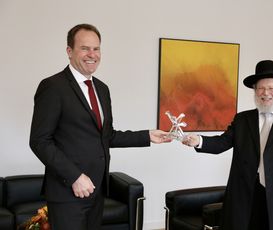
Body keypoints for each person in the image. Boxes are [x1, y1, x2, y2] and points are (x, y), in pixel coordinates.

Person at [29, 23, 171, 230]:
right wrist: (75, 177)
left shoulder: (102, 89)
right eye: (84, 48)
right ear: (69, 51)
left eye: (96, 48)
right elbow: (40, 141)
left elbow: (107, 136)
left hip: (97, 190)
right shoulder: (52, 87)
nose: (92, 54)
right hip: (68, 192)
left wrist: (148, 136)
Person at [182, 60, 273, 230]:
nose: (265, 93)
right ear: (254, 90)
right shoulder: (242, 119)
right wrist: (199, 141)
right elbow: (222, 143)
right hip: (247, 191)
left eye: (271, 88)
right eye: (260, 88)